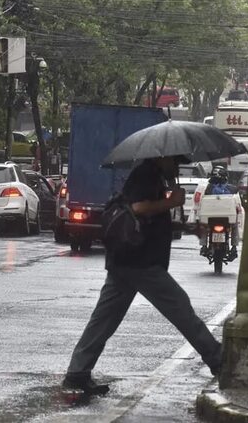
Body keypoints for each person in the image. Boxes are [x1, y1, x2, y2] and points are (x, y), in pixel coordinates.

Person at [63, 156, 222, 394]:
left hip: (125, 261)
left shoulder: (154, 176)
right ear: (163, 157)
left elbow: (152, 220)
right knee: (180, 307)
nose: (176, 167)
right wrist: (171, 202)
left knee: (104, 319)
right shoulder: (145, 174)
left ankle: (77, 372)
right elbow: (137, 208)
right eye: (175, 162)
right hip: (140, 262)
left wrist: (188, 228)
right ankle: (219, 359)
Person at [199, 165, 239, 258]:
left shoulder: (206, 189)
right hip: (227, 218)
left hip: (209, 218)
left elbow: (199, 201)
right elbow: (238, 204)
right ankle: (234, 247)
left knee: (203, 226)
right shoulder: (232, 188)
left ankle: (204, 246)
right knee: (235, 227)